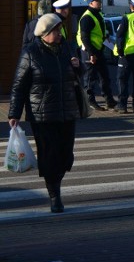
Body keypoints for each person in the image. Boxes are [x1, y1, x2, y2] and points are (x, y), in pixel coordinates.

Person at [9, 13, 83, 213]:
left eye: (60, 30)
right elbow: (18, 86)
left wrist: (79, 66)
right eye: (56, 31)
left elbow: (78, 76)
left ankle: (56, 180)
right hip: (42, 115)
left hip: (67, 111)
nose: (60, 34)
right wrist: (14, 114)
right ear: (45, 32)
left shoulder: (66, 48)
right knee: (50, 156)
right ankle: (54, 195)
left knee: (66, 156)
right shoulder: (30, 52)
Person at [77, 0, 118, 111]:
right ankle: (89, 101)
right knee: (90, 78)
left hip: (98, 49)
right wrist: (91, 53)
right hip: (90, 51)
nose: (100, 3)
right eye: (97, 1)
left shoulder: (98, 14)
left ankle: (109, 100)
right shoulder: (87, 17)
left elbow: (99, 30)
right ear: (91, 3)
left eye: (100, 1)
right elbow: (84, 37)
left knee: (104, 76)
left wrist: (106, 35)